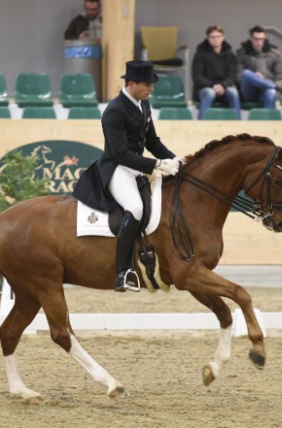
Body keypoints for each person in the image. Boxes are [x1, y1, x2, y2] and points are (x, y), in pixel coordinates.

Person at [72, 60, 182, 292]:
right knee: (136, 207)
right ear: (131, 83)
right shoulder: (114, 111)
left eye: (151, 84)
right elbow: (120, 154)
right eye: (146, 84)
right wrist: (157, 164)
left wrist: (176, 161)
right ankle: (122, 272)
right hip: (116, 168)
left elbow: (152, 141)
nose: (151, 88)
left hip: (138, 165)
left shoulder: (144, 104)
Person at [236, 25, 282, 109]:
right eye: (256, 39)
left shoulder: (274, 55)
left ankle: (269, 121)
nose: (259, 42)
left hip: (264, 92)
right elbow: (238, 77)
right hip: (248, 92)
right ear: (251, 39)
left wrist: (263, 79)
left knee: (271, 92)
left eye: (261, 39)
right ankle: (280, 89)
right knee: (246, 73)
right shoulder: (242, 54)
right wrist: (254, 78)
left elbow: (281, 78)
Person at [191, 25, 241, 120]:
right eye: (212, 37)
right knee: (210, 93)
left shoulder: (230, 54)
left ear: (223, 37)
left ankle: (238, 125)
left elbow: (232, 76)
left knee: (234, 92)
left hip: (224, 88)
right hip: (205, 88)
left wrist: (223, 85)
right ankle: (200, 124)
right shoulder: (200, 54)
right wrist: (213, 85)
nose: (215, 39)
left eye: (218, 36)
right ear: (207, 38)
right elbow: (197, 77)